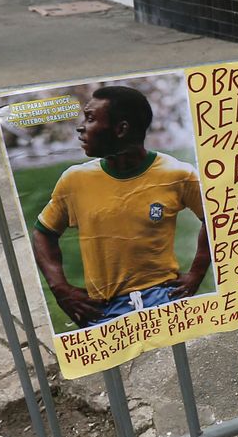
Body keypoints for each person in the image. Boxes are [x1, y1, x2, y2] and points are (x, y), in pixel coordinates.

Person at [31, 84, 211, 328]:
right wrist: (60, 288)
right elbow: (43, 233)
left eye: (91, 118)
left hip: (165, 299)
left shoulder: (178, 174)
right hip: (100, 311)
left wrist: (196, 274)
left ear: (121, 129)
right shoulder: (73, 180)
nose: (81, 127)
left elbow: (215, 218)